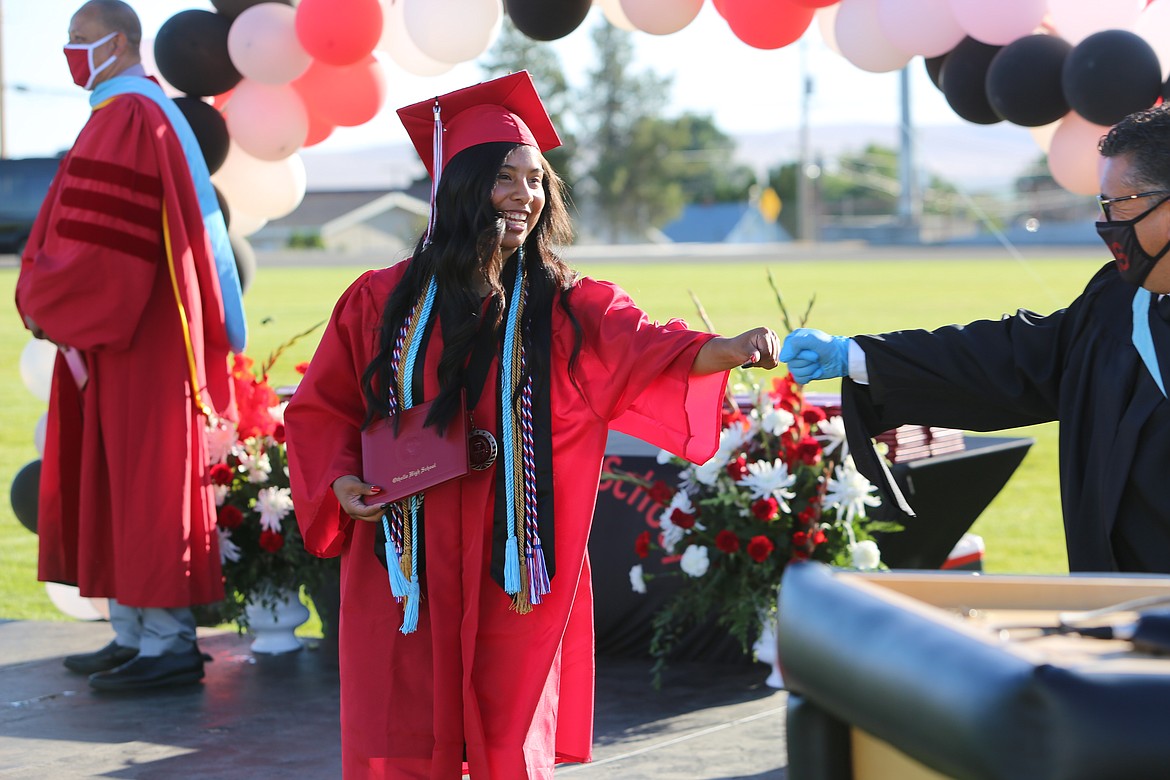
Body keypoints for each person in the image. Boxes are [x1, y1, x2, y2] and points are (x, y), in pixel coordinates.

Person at [284, 70, 779, 778]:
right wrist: (338, 480)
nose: (526, 195)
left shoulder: (566, 303)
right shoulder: (380, 300)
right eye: (506, 178)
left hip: (512, 557)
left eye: (537, 180)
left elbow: (640, 342)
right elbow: (320, 407)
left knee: (506, 728)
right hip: (406, 556)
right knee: (404, 726)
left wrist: (719, 350)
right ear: (460, 186)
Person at [779, 103, 1170, 575]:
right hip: (1120, 608)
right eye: (1103, 206)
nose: (1109, 226)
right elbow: (1011, 358)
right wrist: (857, 356)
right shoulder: (1118, 306)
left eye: (1122, 206)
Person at [15, 0, 246, 691]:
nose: (70, 51)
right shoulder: (130, 114)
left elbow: (97, 249)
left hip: (139, 333)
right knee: (113, 478)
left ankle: (169, 644)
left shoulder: (128, 117)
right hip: (123, 334)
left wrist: (43, 301)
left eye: (81, 39)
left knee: (145, 482)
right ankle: (133, 634)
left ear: (120, 43)